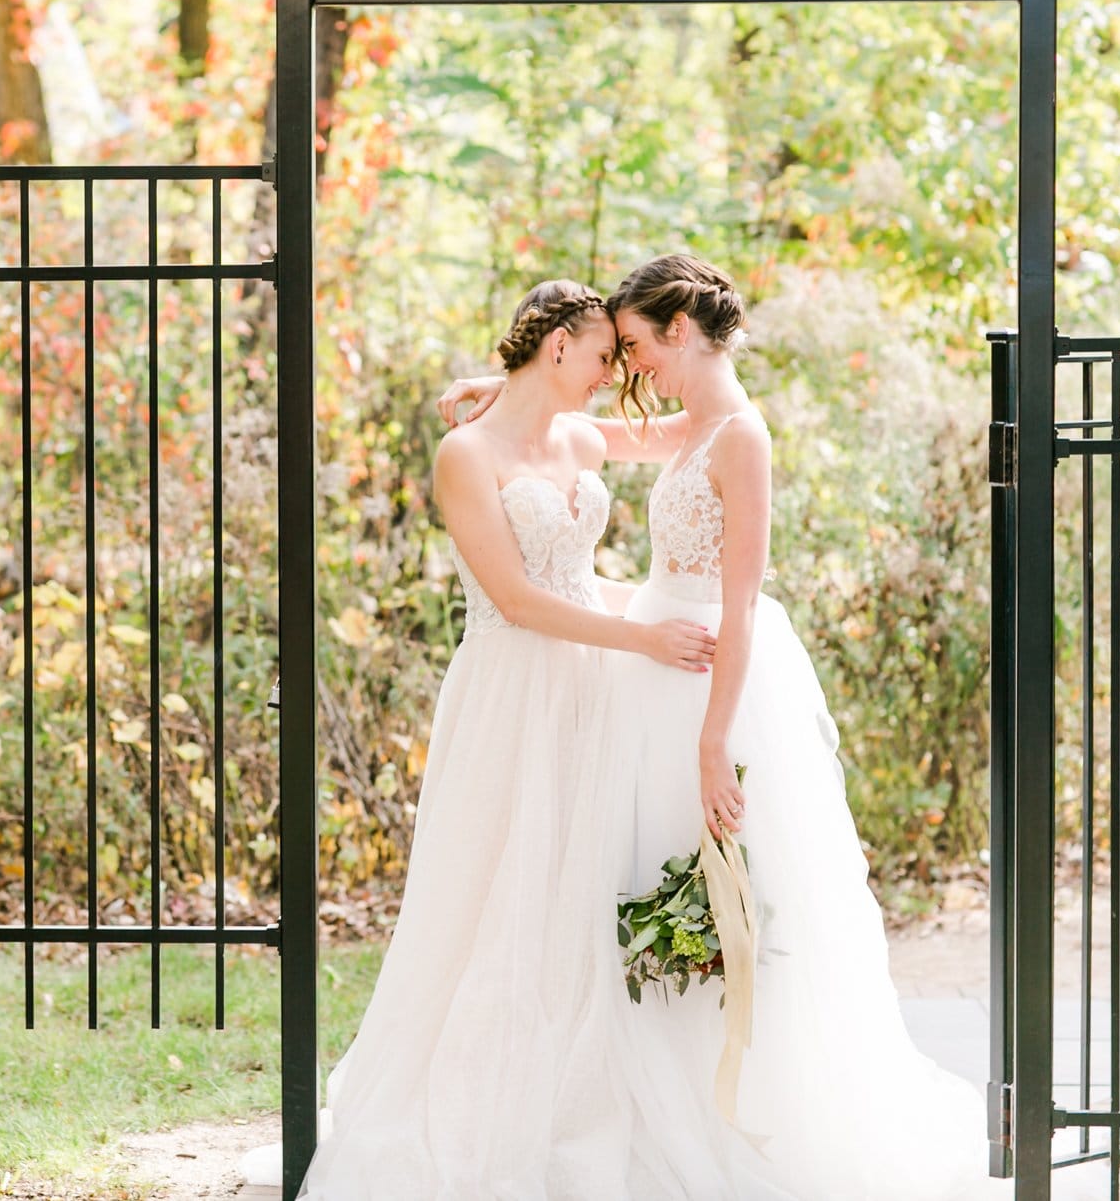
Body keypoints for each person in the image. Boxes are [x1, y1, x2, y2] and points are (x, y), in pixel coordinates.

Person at [439, 253, 1010, 1200]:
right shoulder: (690, 423)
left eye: (633, 345)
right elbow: (597, 435)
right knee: (636, 878)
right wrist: (503, 385)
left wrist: (714, 739)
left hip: (706, 674)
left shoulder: (741, 436)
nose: (629, 368)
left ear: (679, 331)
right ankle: (643, 1091)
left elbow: (739, 605)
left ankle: (733, 1107)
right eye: (612, 350)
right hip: (648, 668)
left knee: (728, 886)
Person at [242, 279, 731, 1198]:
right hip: (513, 687)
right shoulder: (465, 455)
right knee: (497, 891)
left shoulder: (579, 437)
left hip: (590, 687)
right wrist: (647, 634)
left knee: (577, 888)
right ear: (558, 347)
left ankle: (579, 1088)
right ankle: (482, 1102)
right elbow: (515, 598)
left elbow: (687, 435)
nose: (612, 374)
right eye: (601, 355)